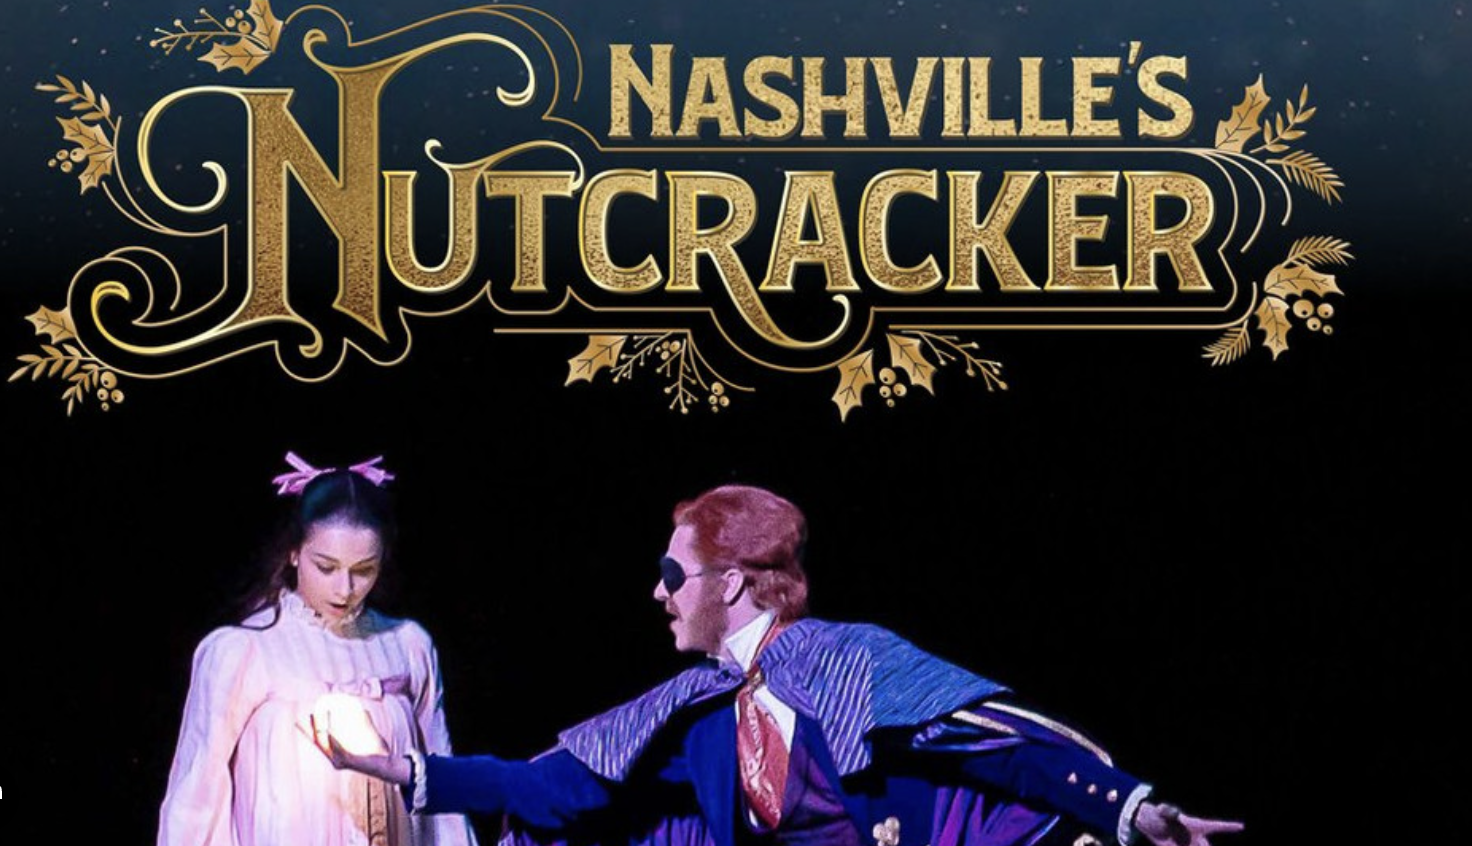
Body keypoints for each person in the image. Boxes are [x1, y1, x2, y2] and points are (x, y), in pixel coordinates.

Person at [318, 485, 1241, 846]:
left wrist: (1129, 807)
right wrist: (405, 771)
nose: (657, 594)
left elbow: (1000, 745)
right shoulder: (699, 706)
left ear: (732, 582)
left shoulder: (848, 662)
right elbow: (556, 787)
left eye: (671, 576)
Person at [158, 452, 478, 846]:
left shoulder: (408, 647)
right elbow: (196, 800)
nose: (345, 589)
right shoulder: (245, 651)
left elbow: (443, 791)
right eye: (326, 567)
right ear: (294, 552)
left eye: (364, 570)